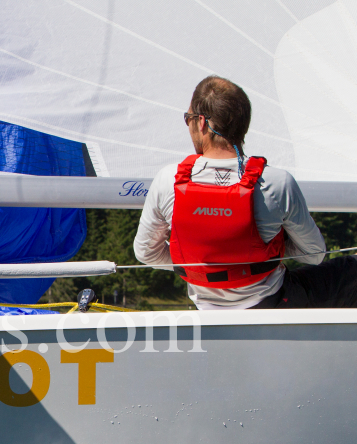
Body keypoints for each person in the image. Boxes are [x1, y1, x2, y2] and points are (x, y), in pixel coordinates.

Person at [134, 75, 357, 309]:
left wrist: (201, 263)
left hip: (206, 309)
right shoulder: (275, 182)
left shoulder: (168, 181)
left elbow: (146, 254)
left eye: (187, 119)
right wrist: (267, 252)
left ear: (201, 123)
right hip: (273, 303)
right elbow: (314, 254)